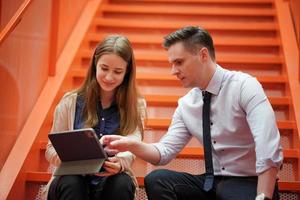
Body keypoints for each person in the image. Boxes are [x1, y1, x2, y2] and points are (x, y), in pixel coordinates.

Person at [102, 26, 283, 200]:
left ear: (203, 55)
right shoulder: (187, 104)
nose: (173, 71)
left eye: (179, 62)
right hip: (212, 183)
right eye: (172, 64)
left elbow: (268, 145)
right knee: (157, 180)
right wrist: (130, 144)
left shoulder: (245, 86)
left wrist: (263, 196)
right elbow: (164, 152)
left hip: (250, 182)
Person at [42, 35, 146, 200]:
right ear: (95, 65)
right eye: (104, 68)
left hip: (110, 183)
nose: (109, 77)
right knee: (71, 182)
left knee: (122, 183)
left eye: (117, 72)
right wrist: (75, 161)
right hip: (72, 181)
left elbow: (133, 147)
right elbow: (50, 150)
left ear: (127, 73)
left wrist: (120, 163)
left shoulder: (137, 106)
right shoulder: (70, 102)